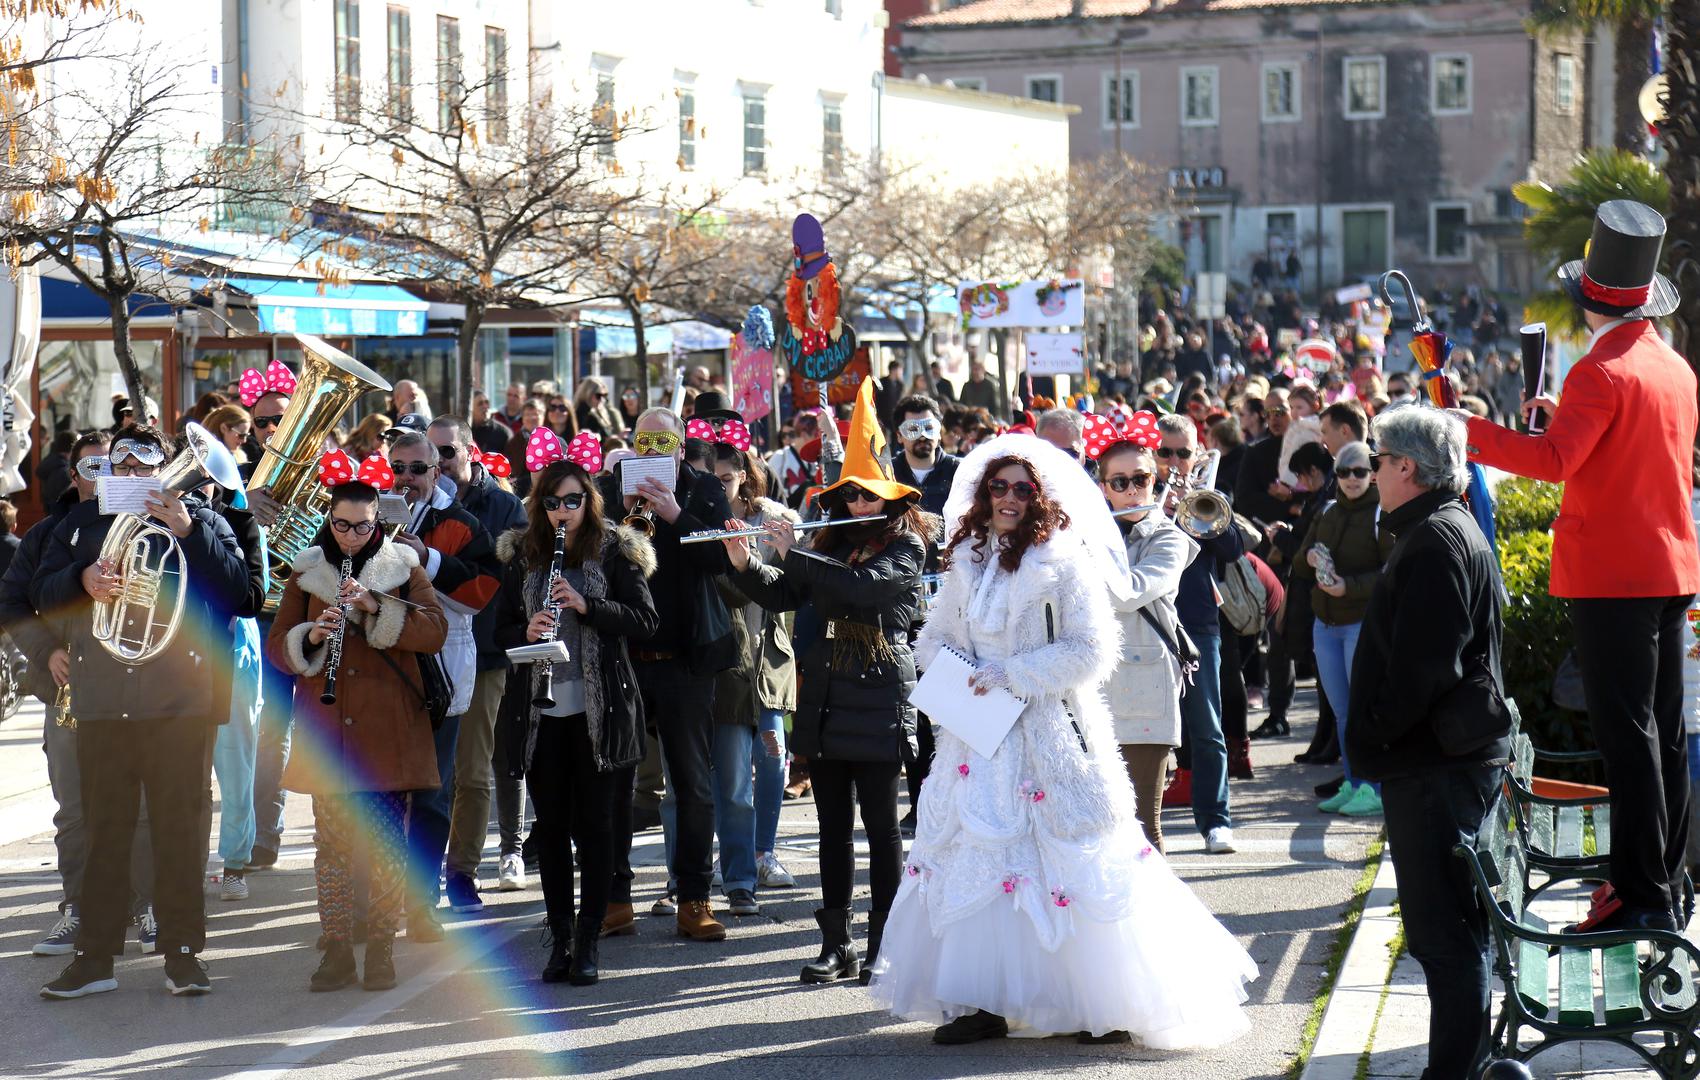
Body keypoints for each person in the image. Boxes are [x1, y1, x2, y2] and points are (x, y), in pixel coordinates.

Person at [869, 432, 1256, 1046]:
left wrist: (1016, 676)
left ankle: (1102, 1004)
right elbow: (934, 632)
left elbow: (1094, 650)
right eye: (999, 486)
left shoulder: (1065, 558)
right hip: (977, 734)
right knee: (979, 859)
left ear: (1040, 496)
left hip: (1048, 732)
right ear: (982, 492)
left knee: (1073, 860)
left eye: (1023, 489)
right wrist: (961, 671)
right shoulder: (966, 557)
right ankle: (983, 1001)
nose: (1010, 498)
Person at [1458, 200, 1699, 933]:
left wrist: (1463, 429)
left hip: (1611, 575)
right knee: (1660, 731)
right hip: (1668, 566)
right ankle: (1664, 880)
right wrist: (1546, 420)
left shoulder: (1600, 369)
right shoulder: (1671, 363)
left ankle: (1641, 897)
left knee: (1630, 739)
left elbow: (1557, 463)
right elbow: (1603, 451)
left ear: (1586, 298)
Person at [34, 424, 250, 999]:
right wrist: (82, 579)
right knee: (106, 833)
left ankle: (183, 955)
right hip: (103, 702)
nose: (132, 476)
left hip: (179, 704)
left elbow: (243, 595)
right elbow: (40, 593)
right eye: (121, 466)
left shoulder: (202, 521)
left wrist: (189, 530)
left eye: (144, 466)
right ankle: (95, 959)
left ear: (164, 470)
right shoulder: (79, 526)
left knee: (179, 833)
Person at [724, 378, 923, 985]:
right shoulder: (830, 543)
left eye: (870, 498)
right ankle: (838, 944)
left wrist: (797, 553)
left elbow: (866, 592)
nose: (860, 508)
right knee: (831, 829)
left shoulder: (908, 545)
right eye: (852, 499)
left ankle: (887, 942)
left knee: (883, 830)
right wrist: (745, 562)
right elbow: (786, 593)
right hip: (829, 697)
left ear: (888, 499)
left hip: (882, 696)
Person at [1348, 406, 1506, 1079]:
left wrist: (1376, 733)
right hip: (1435, 764)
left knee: (1445, 937)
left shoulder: (1437, 538)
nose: (1372, 471)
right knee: (1445, 934)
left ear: (1405, 467)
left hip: (1436, 767)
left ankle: (1454, 1073)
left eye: (1378, 460)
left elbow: (1425, 667)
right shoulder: (1438, 528)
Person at [268, 451, 448, 991]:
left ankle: (382, 952)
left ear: (378, 523)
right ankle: (338, 950)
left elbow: (434, 630)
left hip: (388, 730)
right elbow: (279, 646)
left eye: (361, 526)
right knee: (333, 850)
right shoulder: (307, 572)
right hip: (329, 730)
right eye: (341, 525)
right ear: (330, 520)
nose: (349, 536)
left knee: (388, 846)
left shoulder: (402, 567)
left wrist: (375, 606)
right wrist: (313, 637)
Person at [492, 442, 658, 985]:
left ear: (589, 500)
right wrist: (527, 630)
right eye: (551, 504)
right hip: (541, 716)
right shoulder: (522, 555)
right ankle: (560, 937)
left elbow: (645, 621)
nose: (562, 512)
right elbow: (499, 632)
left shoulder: (616, 551)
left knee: (596, 827)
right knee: (553, 827)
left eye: (572, 501)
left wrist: (589, 607)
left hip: (600, 712)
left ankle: (589, 939)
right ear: (538, 506)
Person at [604, 406, 736, 942]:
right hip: (625, 657)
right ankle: (614, 896)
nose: (654, 451)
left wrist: (676, 515)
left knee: (693, 783)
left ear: (681, 446)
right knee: (615, 779)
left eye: (664, 442)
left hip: (684, 661)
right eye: (644, 442)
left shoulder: (704, 490)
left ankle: (694, 897)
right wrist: (625, 513)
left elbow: (721, 562)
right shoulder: (612, 487)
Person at [0, 433, 129, 956]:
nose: (100, 474)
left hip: (132, 692)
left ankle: (142, 909)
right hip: (68, 693)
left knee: (137, 807)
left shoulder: (142, 529)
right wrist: (45, 652)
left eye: (109, 464)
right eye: (90, 465)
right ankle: (77, 908)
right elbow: (12, 603)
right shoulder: (46, 534)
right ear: (73, 475)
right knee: (74, 810)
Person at [385, 430, 500, 930]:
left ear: (437, 472)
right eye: (398, 468)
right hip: (382, 671)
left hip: (440, 671)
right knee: (383, 790)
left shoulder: (463, 523)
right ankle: (385, 896)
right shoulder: (369, 515)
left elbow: (479, 594)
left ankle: (423, 900)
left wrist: (424, 559)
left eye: (417, 468)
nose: (406, 478)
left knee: (433, 790)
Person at [427, 417, 530, 900]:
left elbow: (516, 584)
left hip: (484, 655)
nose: (437, 463)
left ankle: (462, 873)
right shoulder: (413, 505)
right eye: (430, 455)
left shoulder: (505, 506)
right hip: (418, 654)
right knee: (426, 774)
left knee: (471, 771)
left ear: (471, 452)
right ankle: (419, 875)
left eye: (446, 452)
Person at [708, 441, 801, 895]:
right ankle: (734, 858)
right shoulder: (698, 517)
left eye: (726, 478)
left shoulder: (774, 521)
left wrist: (769, 551)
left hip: (768, 655)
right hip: (722, 658)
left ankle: (764, 852)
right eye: (712, 480)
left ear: (743, 474)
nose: (720, 488)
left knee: (773, 758)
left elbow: (790, 583)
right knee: (729, 772)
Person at [1096, 431, 1194, 852]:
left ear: (1156, 481)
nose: (1133, 490)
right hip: (1092, 693)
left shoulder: (1168, 538)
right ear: (1104, 488)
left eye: (1142, 479)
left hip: (1146, 691)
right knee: (1099, 827)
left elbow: (1126, 592)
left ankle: (1159, 918)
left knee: (1143, 828)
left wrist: (1087, 549)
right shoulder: (1092, 535)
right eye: (1120, 482)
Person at [1156, 413, 1244, 853]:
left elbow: (1233, 551)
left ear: (1198, 454)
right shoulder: (1134, 491)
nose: (1174, 462)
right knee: (1138, 726)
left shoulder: (1208, 497)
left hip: (1196, 623)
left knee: (1207, 726)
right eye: (1165, 452)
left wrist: (1200, 509)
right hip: (1145, 622)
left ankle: (1216, 821)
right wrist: (1160, 510)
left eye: (1183, 453)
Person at [1290, 441, 1391, 818]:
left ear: (1373, 474)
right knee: (1343, 712)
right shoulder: (1328, 511)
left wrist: (1349, 586)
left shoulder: (1382, 512)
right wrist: (1312, 556)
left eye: (1360, 472)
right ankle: (1353, 782)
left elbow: (1390, 571)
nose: (1351, 479)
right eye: (1345, 472)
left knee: (1363, 710)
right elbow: (1300, 564)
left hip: (1360, 622)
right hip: (1325, 624)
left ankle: (1373, 787)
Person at [889, 394, 957, 834]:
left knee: (955, 712)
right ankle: (921, 804)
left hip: (956, 603)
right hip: (906, 605)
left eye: (929, 427)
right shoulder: (885, 475)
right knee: (917, 713)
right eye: (913, 429)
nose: (923, 437)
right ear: (899, 435)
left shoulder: (962, 473)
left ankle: (956, 805)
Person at [573, 377, 621, 442]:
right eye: (598, 396)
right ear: (588, 394)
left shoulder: (598, 411)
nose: (602, 399)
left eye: (604, 395)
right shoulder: (583, 413)